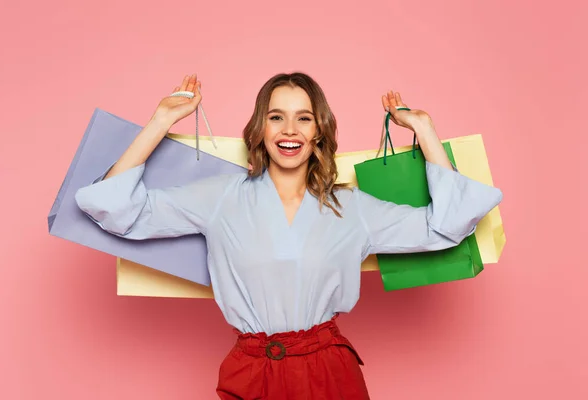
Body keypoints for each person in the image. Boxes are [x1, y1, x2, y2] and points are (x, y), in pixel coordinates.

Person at [75, 72, 503, 399]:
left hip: (327, 371)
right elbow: (115, 210)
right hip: (251, 369)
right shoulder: (220, 197)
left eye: (304, 118)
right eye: (276, 117)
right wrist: (161, 120)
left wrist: (425, 130)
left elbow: (446, 224)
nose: (289, 130)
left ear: (319, 130)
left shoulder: (352, 209)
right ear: (260, 127)